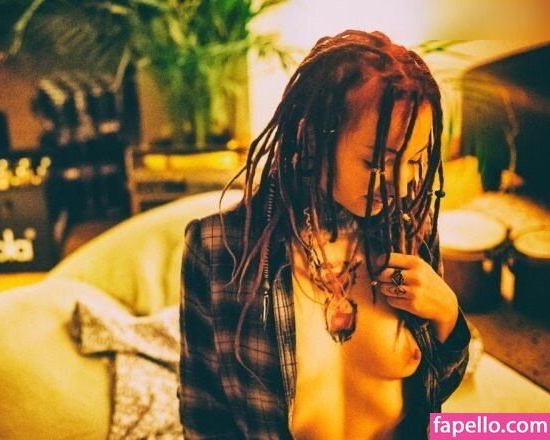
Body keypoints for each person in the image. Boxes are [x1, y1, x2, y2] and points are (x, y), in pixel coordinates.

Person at [178, 30, 470, 440]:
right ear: (312, 137)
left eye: (414, 160)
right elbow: (203, 416)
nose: (402, 185)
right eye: (378, 162)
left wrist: (449, 317)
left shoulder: (411, 232)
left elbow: (435, 394)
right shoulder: (216, 250)